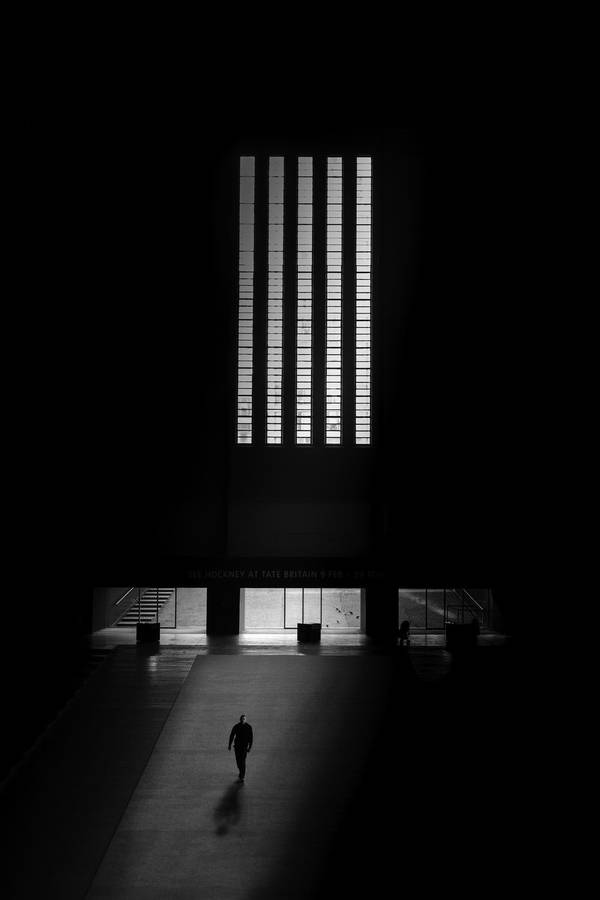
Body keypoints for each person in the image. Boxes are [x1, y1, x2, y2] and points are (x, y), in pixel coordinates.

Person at [228, 714, 253, 782]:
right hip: (237, 747)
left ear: (246, 720)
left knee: (243, 761)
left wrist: (249, 747)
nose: (243, 720)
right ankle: (241, 771)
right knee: (238, 761)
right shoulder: (236, 726)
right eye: (242, 719)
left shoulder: (249, 727)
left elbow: (251, 738)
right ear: (240, 719)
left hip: (244, 747)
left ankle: (242, 775)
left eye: (244, 719)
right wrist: (229, 745)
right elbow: (232, 735)